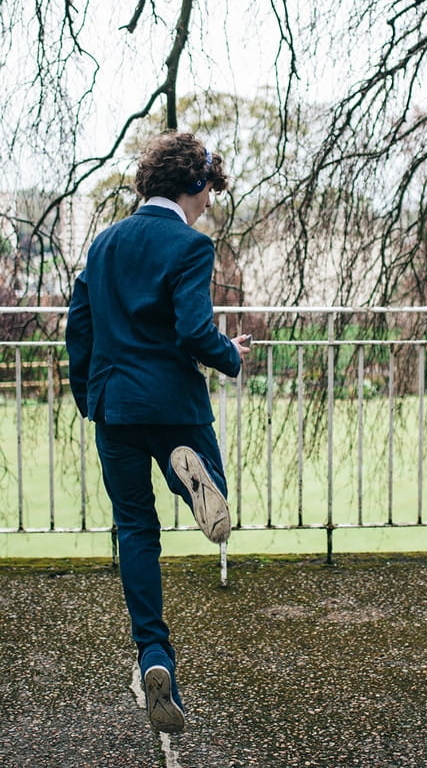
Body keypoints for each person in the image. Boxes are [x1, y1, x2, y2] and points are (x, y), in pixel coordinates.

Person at [66, 131, 251, 734]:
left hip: (115, 406)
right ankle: (186, 472)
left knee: (136, 534)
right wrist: (232, 356)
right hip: (172, 404)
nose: (206, 207)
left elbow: (80, 330)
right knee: (211, 486)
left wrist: (90, 398)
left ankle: (154, 657)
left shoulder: (103, 245)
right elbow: (196, 332)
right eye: (207, 195)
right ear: (195, 187)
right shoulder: (192, 247)